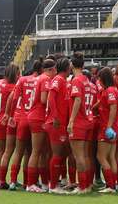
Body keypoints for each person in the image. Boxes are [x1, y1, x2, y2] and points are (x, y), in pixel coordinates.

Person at [2, 58, 43, 190]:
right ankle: (28, 182)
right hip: (33, 119)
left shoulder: (23, 80)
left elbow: (13, 98)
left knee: (17, 152)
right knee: (31, 153)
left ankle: (12, 181)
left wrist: (10, 115)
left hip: (20, 118)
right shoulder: (43, 80)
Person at [27, 58, 57, 193]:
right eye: (55, 69)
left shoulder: (40, 78)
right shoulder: (45, 79)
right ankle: (31, 183)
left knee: (43, 152)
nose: (56, 72)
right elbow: (44, 99)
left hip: (38, 117)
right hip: (38, 117)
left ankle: (44, 182)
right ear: (50, 69)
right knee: (37, 152)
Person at [67, 52, 94, 194]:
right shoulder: (87, 81)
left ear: (71, 65)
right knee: (85, 155)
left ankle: (82, 187)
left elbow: (77, 100)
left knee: (79, 156)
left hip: (79, 122)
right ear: (83, 65)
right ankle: (87, 185)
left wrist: (71, 121)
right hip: (89, 120)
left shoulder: (76, 81)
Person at [45, 57, 71, 194]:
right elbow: (50, 97)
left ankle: (56, 183)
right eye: (70, 66)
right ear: (66, 68)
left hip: (61, 123)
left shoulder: (64, 81)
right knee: (57, 154)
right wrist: (55, 116)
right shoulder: (58, 80)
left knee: (61, 154)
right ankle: (53, 186)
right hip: (55, 123)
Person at [96, 67, 118, 193]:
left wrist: (109, 126)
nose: (98, 81)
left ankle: (110, 186)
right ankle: (112, 185)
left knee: (101, 156)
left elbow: (113, 108)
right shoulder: (112, 90)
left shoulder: (110, 90)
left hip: (107, 127)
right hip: (113, 127)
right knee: (111, 157)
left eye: (99, 79)